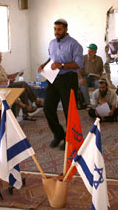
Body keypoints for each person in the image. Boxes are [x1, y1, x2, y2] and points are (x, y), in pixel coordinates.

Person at [37, 18, 83, 149]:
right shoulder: (52, 43)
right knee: (48, 108)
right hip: (53, 79)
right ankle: (59, 135)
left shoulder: (74, 44)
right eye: (55, 29)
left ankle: (70, 140)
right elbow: (51, 57)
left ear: (66, 29)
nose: (56, 32)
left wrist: (61, 65)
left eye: (59, 29)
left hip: (68, 79)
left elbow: (78, 64)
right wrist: (44, 64)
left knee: (69, 111)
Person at [0, 49, 44, 120]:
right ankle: (36, 101)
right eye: (0, 57)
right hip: (1, 89)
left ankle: (26, 114)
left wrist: (17, 73)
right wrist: (7, 82)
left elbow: (7, 76)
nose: (1, 59)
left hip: (7, 85)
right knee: (22, 84)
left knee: (22, 89)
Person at [78, 43, 104, 108]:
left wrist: (99, 76)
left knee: (98, 84)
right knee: (82, 84)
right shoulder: (83, 58)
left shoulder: (99, 59)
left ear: (95, 52)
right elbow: (78, 69)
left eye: (91, 51)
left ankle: (97, 102)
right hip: (85, 77)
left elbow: (101, 70)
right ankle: (87, 103)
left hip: (95, 78)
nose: (89, 52)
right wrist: (81, 78)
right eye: (89, 50)